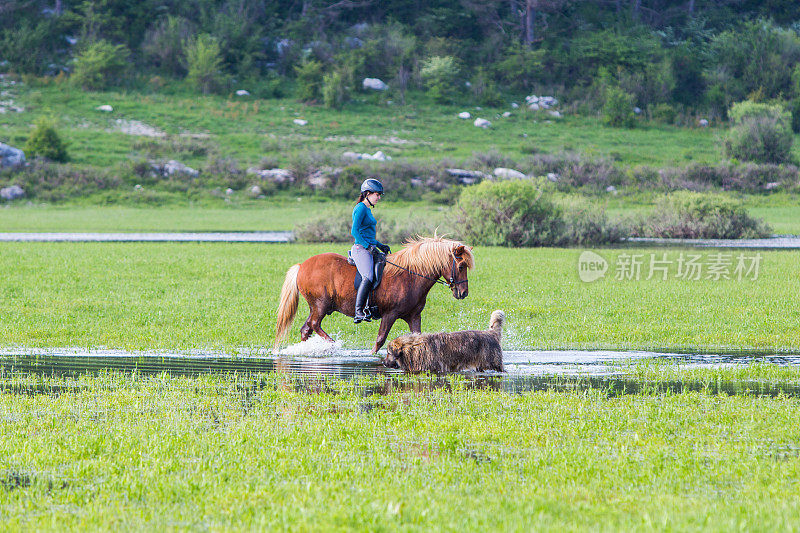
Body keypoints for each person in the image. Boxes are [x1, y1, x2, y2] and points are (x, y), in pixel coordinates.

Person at [351, 178, 391, 323]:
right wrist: (368, 247)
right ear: (367, 193)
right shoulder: (360, 208)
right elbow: (355, 232)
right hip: (360, 249)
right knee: (368, 276)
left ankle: (372, 306)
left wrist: (380, 245)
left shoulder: (367, 209)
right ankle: (359, 311)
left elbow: (368, 234)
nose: (379, 197)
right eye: (377, 194)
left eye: (380, 195)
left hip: (369, 247)